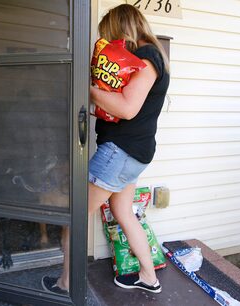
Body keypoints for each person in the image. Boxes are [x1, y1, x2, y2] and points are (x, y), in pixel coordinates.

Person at [42, 4, 170, 295]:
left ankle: (66, 283)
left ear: (120, 30)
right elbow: (122, 106)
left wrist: (85, 88)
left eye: (108, 34)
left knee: (73, 216)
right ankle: (149, 277)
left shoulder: (146, 57)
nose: (108, 43)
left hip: (120, 152)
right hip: (133, 153)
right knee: (122, 211)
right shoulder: (148, 57)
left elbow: (126, 108)